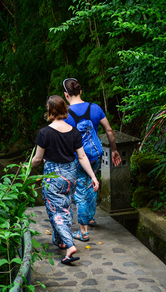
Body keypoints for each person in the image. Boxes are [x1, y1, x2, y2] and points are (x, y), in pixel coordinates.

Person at [32, 95, 99, 264]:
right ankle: (59, 240)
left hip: (54, 175)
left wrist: (27, 166)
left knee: (55, 210)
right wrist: (92, 176)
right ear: (65, 110)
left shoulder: (44, 133)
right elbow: (82, 157)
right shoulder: (74, 132)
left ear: (49, 110)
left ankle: (69, 245)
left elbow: (38, 159)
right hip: (71, 175)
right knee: (65, 208)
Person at [63, 78, 121, 242]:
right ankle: (90, 217)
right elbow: (109, 130)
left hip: (79, 157)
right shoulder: (95, 108)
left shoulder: (66, 114)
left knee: (81, 189)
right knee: (92, 183)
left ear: (66, 94)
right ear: (80, 91)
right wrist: (114, 150)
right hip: (97, 153)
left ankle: (83, 231)